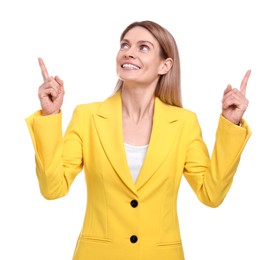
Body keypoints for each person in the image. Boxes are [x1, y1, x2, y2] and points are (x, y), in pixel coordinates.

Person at [26, 20, 252, 260]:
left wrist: (230, 124)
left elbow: (212, 194)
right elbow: (52, 188)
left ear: (165, 65)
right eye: (124, 45)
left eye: (143, 47)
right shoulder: (87, 117)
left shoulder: (184, 123)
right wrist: (50, 116)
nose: (129, 52)